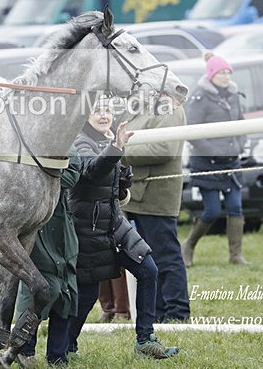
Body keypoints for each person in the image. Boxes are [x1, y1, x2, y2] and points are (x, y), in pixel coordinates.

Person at [66, 100, 179, 360]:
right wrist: (116, 147)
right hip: (87, 227)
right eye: (98, 110)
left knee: (148, 269)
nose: (104, 115)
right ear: (85, 115)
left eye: (108, 110)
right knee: (88, 295)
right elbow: (92, 171)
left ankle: (145, 341)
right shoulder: (79, 140)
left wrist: (123, 178)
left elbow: (112, 183)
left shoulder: (110, 136)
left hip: (115, 223)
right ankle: (67, 346)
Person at [122, 103, 190, 322]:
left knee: (166, 256)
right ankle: (160, 314)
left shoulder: (169, 107)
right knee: (149, 258)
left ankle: (178, 313)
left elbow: (163, 149)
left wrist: (119, 151)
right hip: (138, 196)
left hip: (156, 197)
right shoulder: (142, 105)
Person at [14, 147, 82, 368]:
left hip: (61, 222)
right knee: (38, 286)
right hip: (34, 221)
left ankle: (58, 357)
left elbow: (71, 175)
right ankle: (25, 350)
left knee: (66, 291)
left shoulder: (70, 142)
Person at [182, 52, 249, 266]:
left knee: (235, 208)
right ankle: (189, 245)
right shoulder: (199, 97)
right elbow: (192, 130)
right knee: (211, 211)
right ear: (211, 75)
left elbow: (242, 124)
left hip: (231, 163)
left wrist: (238, 145)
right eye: (221, 73)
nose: (226, 76)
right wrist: (213, 151)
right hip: (207, 163)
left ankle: (235, 255)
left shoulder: (235, 95)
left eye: (228, 72)